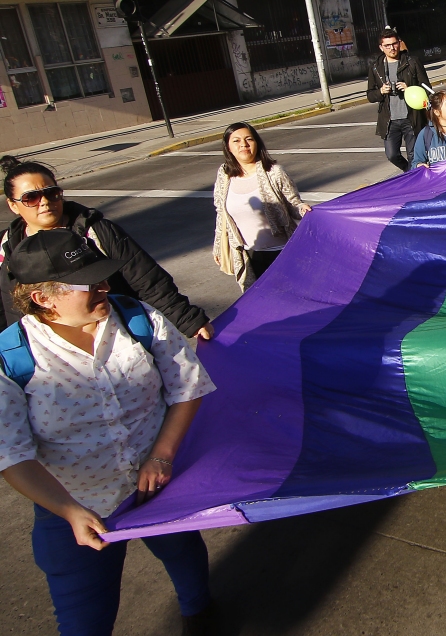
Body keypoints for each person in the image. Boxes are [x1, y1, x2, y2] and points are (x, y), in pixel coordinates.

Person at [0, 229, 217, 635]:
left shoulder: (138, 319)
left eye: (103, 276)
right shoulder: (13, 358)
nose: (104, 286)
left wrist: (161, 455)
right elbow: (10, 454)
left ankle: (200, 612)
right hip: (73, 507)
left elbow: (188, 387)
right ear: (43, 298)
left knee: (185, 557)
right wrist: (68, 510)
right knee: (84, 620)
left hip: (158, 488)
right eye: (88, 282)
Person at [0, 157, 212, 340]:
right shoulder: (7, 247)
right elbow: (8, 304)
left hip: (114, 337)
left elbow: (146, 279)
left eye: (52, 193)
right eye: (31, 198)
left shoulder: (95, 231)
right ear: (13, 205)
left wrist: (188, 320)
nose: (45, 202)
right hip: (51, 353)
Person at [212, 122, 311, 292]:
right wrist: (218, 245)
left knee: (290, 300)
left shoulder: (274, 172)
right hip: (248, 255)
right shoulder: (224, 174)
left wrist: (302, 208)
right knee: (259, 305)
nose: (243, 144)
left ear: (257, 143)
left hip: (282, 252)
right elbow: (221, 213)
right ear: (228, 147)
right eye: (236, 141)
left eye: (249, 139)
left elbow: (293, 203)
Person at [366, 27, 429, 173]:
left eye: (394, 44)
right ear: (381, 48)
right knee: (392, 154)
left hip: (411, 117)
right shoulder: (376, 67)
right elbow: (370, 95)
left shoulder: (412, 62)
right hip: (390, 120)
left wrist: (410, 88)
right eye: (387, 45)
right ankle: (410, 172)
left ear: (399, 43)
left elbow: (427, 89)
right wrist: (381, 91)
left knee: (414, 155)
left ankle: (415, 181)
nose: (392, 48)